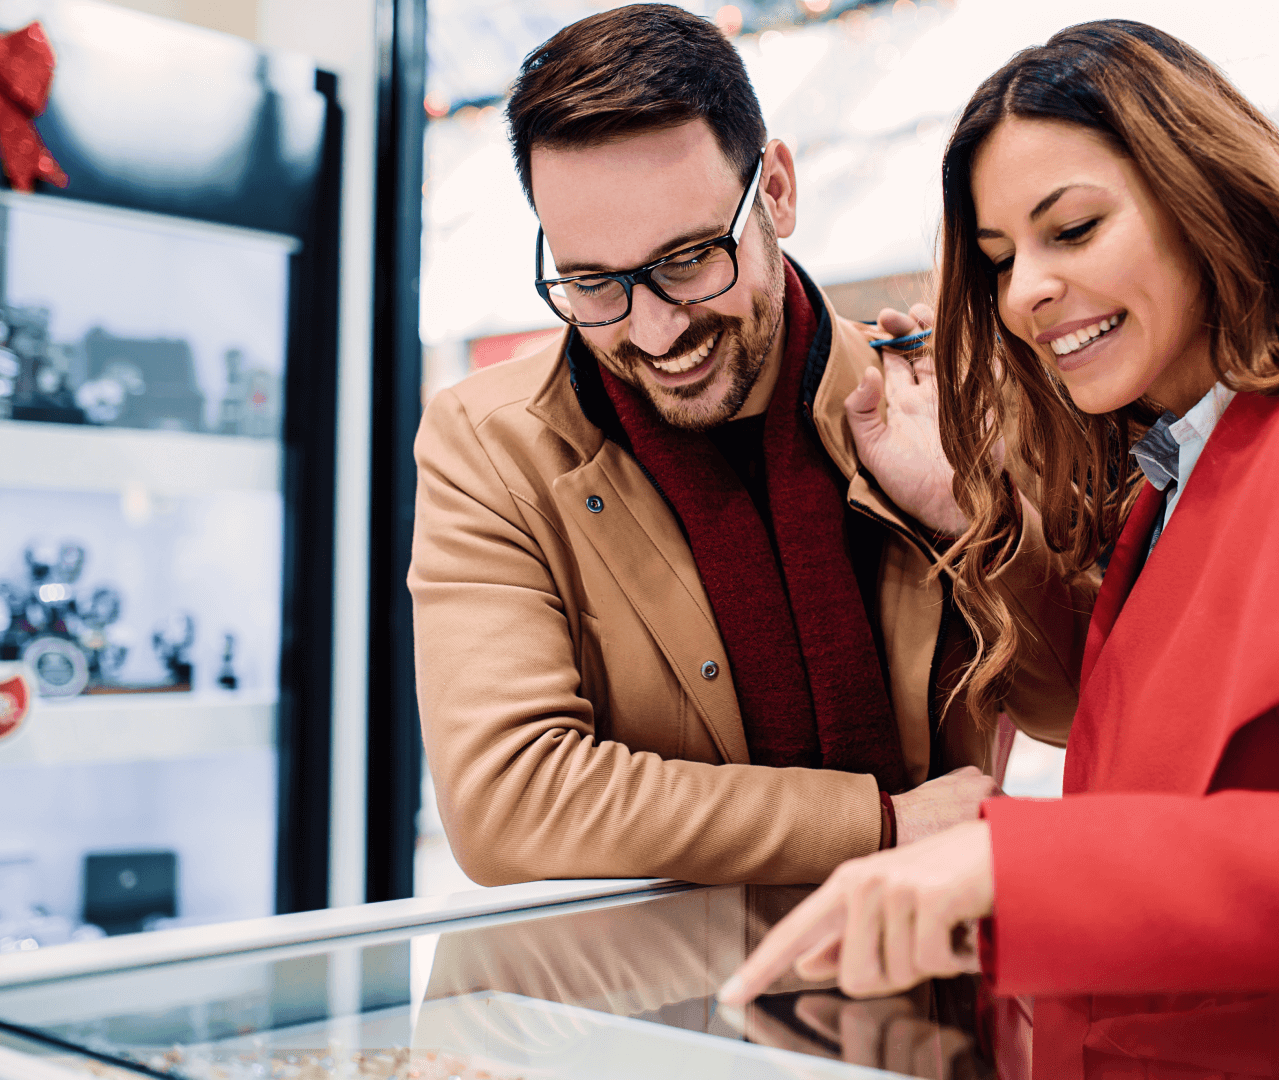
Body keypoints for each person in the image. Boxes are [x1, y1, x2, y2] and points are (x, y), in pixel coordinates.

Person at [723, 20, 1279, 1079]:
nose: (1024, 294)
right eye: (1003, 260)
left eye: (1075, 229)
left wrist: (1015, 868)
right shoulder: (1173, 483)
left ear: (1205, 202)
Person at [409, 5, 1088, 887]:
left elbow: (1073, 706)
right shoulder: (488, 446)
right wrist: (880, 825)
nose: (652, 331)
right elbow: (509, 801)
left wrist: (971, 518)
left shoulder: (942, 396)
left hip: (941, 995)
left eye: (689, 259)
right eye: (591, 283)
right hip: (645, 1007)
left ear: (775, 191)